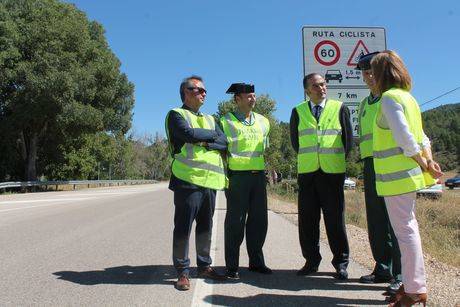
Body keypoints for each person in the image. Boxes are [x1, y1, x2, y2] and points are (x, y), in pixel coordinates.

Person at [370, 51, 443, 306]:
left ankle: (414, 289)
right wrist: (429, 160)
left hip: (396, 179)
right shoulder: (408, 99)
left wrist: (424, 162)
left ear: (380, 74)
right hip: (407, 177)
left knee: (406, 232)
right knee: (409, 229)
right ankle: (414, 283)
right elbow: (422, 137)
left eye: (372, 71)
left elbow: (405, 138)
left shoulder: (388, 99)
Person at [165, 75, 228, 291]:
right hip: (187, 181)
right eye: (198, 89)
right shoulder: (176, 115)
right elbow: (187, 133)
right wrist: (209, 138)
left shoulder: (212, 119)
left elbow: (224, 141)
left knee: (205, 228)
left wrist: (203, 139)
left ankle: (204, 266)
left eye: (204, 90)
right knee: (183, 228)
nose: (203, 93)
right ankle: (182, 272)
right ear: (185, 92)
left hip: (209, 183)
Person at [290, 73, 353, 280]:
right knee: (308, 220)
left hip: (332, 174)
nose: (321, 88)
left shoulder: (339, 107)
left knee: (335, 220)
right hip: (308, 174)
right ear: (307, 90)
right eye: (316, 86)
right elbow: (295, 143)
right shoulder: (297, 111)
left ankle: (341, 263)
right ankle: (311, 261)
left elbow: (348, 140)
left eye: (323, 84)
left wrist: (335, 162)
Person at [356, 52, 403, 295]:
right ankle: (382, 268)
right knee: (376, 220)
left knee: (396, 221)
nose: (369, 76)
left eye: (373, 71)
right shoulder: (364, 105)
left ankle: (400, 275)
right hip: (370, 165)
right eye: (365, 73)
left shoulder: (391, 98)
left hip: (392, 164)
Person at [220, 83, 271, 279]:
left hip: (258, 177)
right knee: (235, 223)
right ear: (237, 99)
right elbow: (221, 150)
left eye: (254, 95)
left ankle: (256, 262)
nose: (253, 99)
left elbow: (264, 147)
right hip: (237, 177)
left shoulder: (264, 121)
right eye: (248, 96)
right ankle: (232, 266)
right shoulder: (225, 121)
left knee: (259, 221)